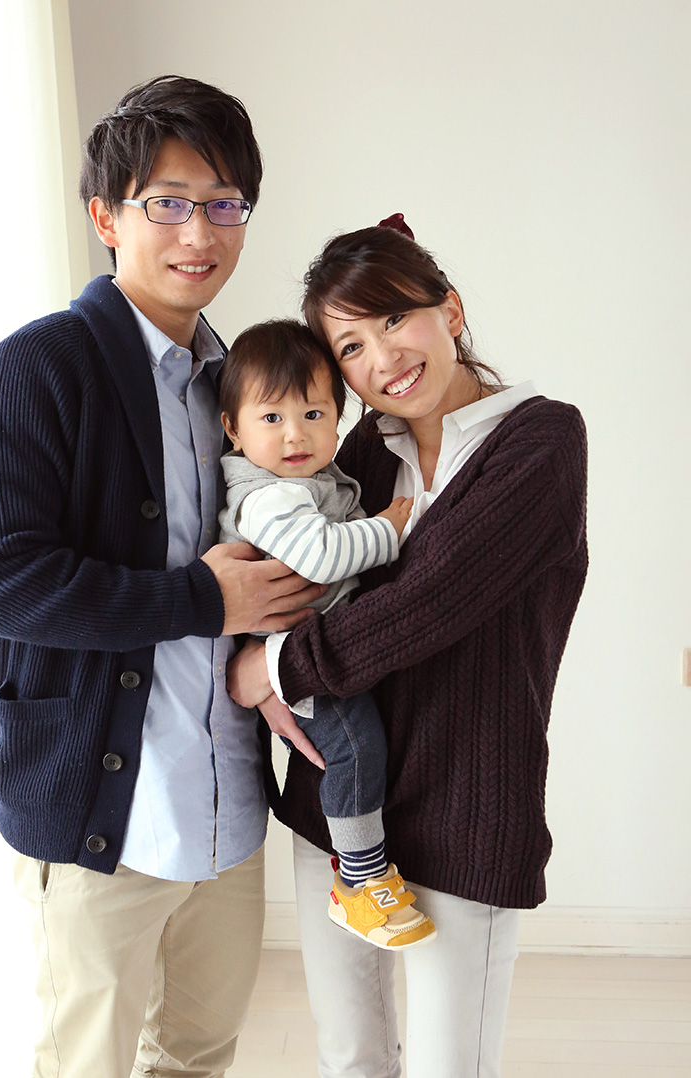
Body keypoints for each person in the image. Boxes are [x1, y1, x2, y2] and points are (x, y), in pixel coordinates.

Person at [0, 75, 325, 1078]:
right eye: (167, 202)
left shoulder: (239, 383)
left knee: (196, 1057)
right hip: (99, 819)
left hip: (225, 814)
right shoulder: (35, 370)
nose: (199, 232)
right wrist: (200, 598)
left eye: (224, 203)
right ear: (105, 216)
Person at [226, 215, 589, 1077]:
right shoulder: (358, 453)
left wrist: (268, 669)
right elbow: (285, 571)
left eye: (395, 319)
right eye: (350, 347)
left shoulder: (541, 442)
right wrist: (249, 643)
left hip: (467, 804)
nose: (383, 358)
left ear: (450, 311)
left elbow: (426, 605)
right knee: (349, 1056)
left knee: (444, 1067)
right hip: (339, 804)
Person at [218, 318, 435, 950]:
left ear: (339, 418)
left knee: (364, 747)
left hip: (312, 648)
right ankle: (359, 881)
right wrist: (387, 530)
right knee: (356, 749)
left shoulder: (307, 480)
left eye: (313, 414)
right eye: (272, 418)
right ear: (233, 429)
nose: (295, 434)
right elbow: (318, 556)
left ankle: (363, 870)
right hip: (298, 657)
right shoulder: (268, 496)